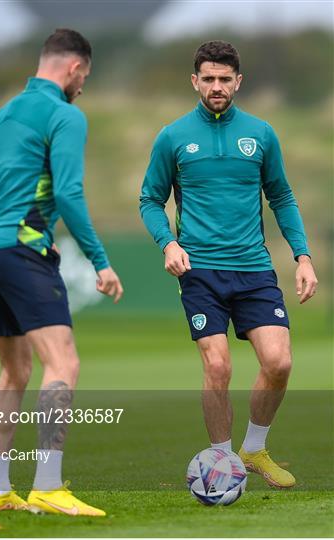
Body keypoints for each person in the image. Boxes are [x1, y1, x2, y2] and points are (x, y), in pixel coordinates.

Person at [0, 28, 123, 516]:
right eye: (85, 76)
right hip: (24, 252)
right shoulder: (65, 115)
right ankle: (48, 485)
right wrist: (100, 260)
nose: (83, 86)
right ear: (73, 68)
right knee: (63, 364)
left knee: (15, 370)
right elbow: (69, 194)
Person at [140, 41, 317, 488]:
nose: (216, 86)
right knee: (217, 366)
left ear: (238, 81)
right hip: (200, 271)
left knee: (279, 363)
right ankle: (221, 463)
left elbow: (281, 197)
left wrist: (303, 256)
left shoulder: (260, 133)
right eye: (208, 78)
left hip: (254, 268)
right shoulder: (173, 136)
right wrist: (167, 243)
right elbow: (149, 200)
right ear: (194, 81)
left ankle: (254, 449)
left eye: (224, 79)